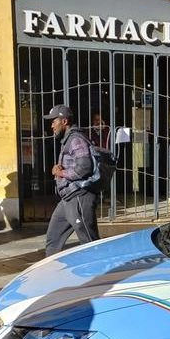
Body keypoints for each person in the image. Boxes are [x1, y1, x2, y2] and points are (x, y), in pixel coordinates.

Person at [43, 104, 100, 256]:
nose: (52, 125)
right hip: (68, 199)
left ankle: (98, 276)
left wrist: (61, 173)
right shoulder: (67, 140)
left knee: (89, 242)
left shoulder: (76, 139)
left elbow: (84, 167)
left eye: (54, 121)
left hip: (79, 197)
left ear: (64, 121)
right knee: (53, 240)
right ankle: (52, 274)